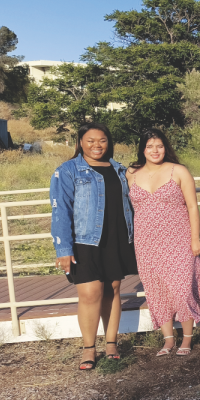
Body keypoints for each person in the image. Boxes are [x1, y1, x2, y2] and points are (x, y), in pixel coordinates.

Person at [50, 123, 137, 370]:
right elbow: (60, 210)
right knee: (90, 294)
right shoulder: (68, 170)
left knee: (112, 290)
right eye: (90, 141)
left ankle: (111, 343)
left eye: (102, 141)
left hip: (116, 238)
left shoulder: (120, 169)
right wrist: (63, 249)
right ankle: (89, 348)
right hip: (84, 241)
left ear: (109, 143)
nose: (97, 145)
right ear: (80, 143)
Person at [127, 128, 200, 356]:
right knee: (156, 290)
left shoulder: (179, 171)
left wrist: (195, 239)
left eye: (159, 146)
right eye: (150, 146)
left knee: (183, 288)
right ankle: (168, 340)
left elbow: (192, 207)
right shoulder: (131, 173)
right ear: (142, 149)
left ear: (166, 147)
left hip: (178, 240)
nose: (155, 150)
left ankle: (187, 339)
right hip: (146, 243)